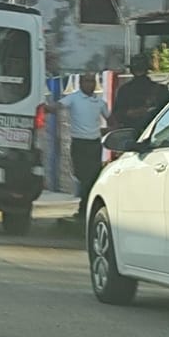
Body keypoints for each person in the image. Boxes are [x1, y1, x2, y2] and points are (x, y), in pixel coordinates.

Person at [45, 73, 110, 228]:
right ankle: (84, 208)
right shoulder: (73, 98)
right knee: (81, 176)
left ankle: (84, 210)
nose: (90, 84)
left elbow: (111, 119)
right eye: (87, 81)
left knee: (92, 178)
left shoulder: (99, 102)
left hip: (94, 144)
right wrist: (43, 107)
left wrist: (104, 131)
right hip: (79, 143)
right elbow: (56, 107)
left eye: (92, 81)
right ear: (80, 83)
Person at [111, 55, 169, 133]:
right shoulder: (160, 89)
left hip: (139, 132)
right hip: (151, 132)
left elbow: (117, 115)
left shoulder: (124, 90)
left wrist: (132, 113)